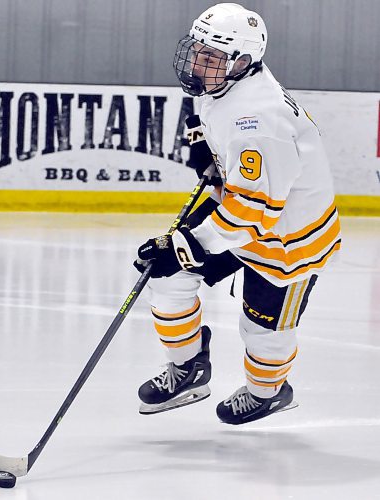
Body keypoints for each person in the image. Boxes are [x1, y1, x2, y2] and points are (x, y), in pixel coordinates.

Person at [134, 3, 341, 424]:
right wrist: (202, 149)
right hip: (244, 207)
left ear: (243, 61)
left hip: (287, 238)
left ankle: (268, 393)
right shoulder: (224, 84)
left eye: (209, 57)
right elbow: (207, 116)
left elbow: (254, 214)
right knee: (167, 278)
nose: (196, 64)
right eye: (197, 51)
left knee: (262, 330)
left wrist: (187, 247)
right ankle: (189, 369)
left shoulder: (257, 118)